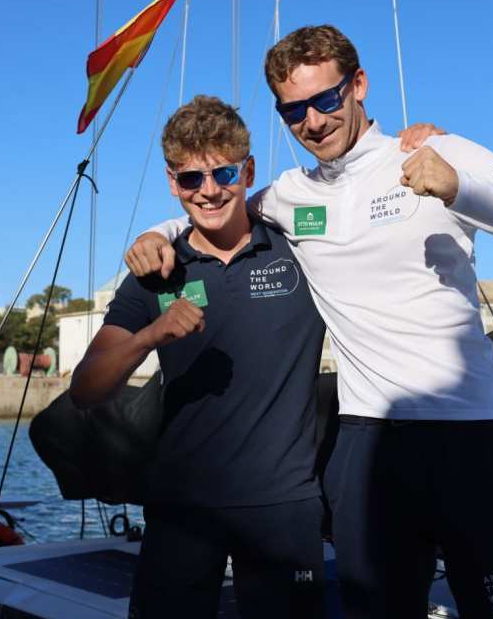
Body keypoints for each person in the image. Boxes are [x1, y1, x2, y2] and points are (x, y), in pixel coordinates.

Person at [126, 25, 493, 618]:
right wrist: (157, 232)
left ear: (359, 85)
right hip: (367, 447)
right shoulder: (292, 195)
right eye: (293, 111)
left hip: (471, 436)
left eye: (325, 100)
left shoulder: (438, 154)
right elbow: (220, 211)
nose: (313, 122)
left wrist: (459, 189)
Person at [70, 95, 328, 619]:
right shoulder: (154, 273)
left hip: (283, 506)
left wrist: (419, 143)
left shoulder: (301, 247)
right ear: (173, 183)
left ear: (247, 170)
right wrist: (150, 336)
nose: (209, 191)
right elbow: (85, 390)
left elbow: (359, 202)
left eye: (224, 173)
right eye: (191, 179)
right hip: (181, 508)